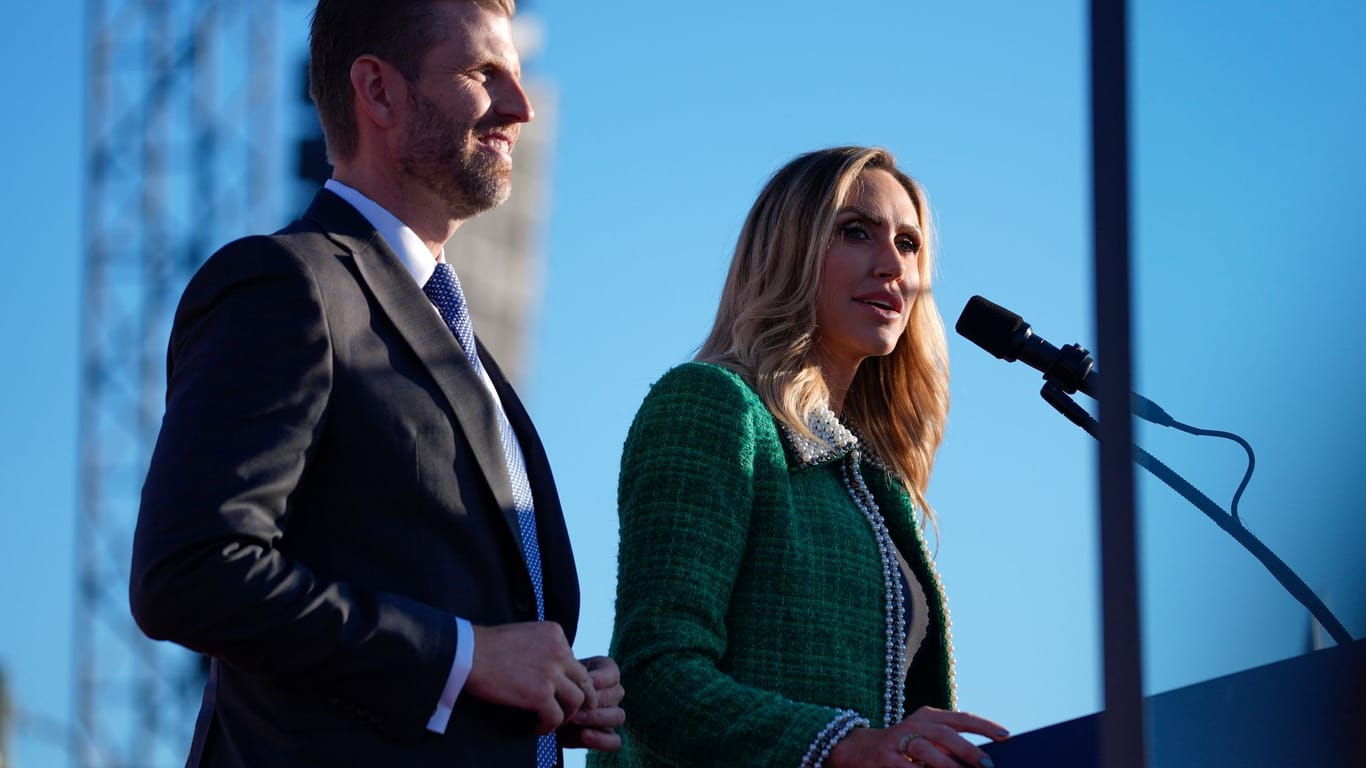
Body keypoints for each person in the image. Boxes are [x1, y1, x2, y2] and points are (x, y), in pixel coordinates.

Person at [129, 1, 623, 766]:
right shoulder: (286, 284)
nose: (520, 108)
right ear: (379, 90)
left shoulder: (466, 351)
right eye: (483, 73)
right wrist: (467, 659)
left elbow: (457, 628)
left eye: (517, 79)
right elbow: (190, 572)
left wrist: (552, 689)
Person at [590, 147, 1008, 768]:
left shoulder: (874, 480)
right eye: (855, 232)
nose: (892, 264)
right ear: (788, 251)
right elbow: (654, 675)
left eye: (910, 243)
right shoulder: (711, 405)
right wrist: (840, 744)